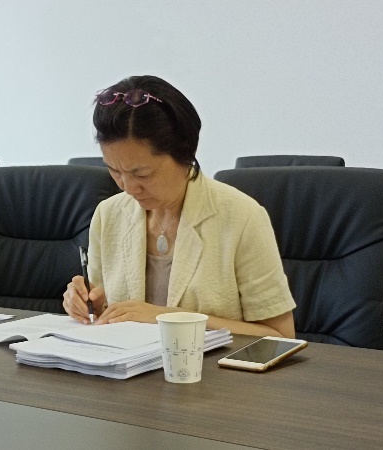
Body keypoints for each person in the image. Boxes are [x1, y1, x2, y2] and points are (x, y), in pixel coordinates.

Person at [63, 75, 296, 338]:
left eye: (142, 174)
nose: (128, 187)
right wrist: (89, 305)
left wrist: (167, 318)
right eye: (114, 171)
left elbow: (280, 336)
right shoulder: (109, 215)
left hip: (213, 365)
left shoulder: (242, 218)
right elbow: (108, 312)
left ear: (185, 154)